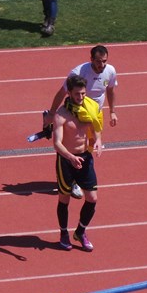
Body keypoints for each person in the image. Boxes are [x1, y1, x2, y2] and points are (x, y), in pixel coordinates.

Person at [45, 44, 118, 198]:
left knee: (90, 145)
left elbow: (110, 90)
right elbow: (62, 92)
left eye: (104, 61)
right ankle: (73, 180)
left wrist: (112, 111)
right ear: (91, 59)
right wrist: (52, 113)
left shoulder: (110, 71)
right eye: (98, 61)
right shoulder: (78, 73)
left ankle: (81, 173)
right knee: (75, 144)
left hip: (96, 114)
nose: (102, 65)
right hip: (77, 113)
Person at [52, 74, 103, 252]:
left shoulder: (89, 107)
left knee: (92, 198)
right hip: (66, 160)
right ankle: (64, 233)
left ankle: (80, 232)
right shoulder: (61, 115)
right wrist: (71, 157)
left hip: (85, 158)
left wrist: (97, 140)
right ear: (69, 93)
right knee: (64, 199)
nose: (81, 97)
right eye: (77, 94)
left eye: (83, 93)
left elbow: (95, 126)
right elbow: (57, 144)